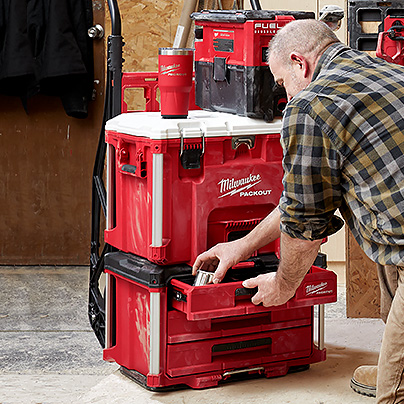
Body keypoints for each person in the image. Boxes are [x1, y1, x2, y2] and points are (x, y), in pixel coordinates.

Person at [192, 19, 404, 404]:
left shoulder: (312, 105)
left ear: (298, 64)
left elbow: (304, 225)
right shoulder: (386, 71)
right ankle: (398, 360)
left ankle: (398, 378)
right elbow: (299, 200)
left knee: (393, 397)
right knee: (388, 242)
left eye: (281, 83)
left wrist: (284, 285)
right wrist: (239, 247)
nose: (284, 96)